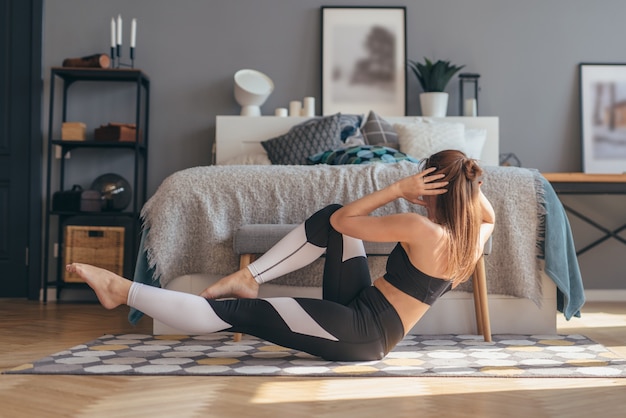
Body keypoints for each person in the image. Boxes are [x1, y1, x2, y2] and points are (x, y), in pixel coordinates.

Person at [67, 149, 495, 362]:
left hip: (363, 334)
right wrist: (463, 190)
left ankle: (121, 290)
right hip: (366, 310)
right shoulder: (473, 237)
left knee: (234, 313)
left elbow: (349, 220)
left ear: (429, 188)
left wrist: (400, 190)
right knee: (327, 217)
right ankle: (250, 276)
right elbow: (486, 209)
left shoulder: (418, 225)